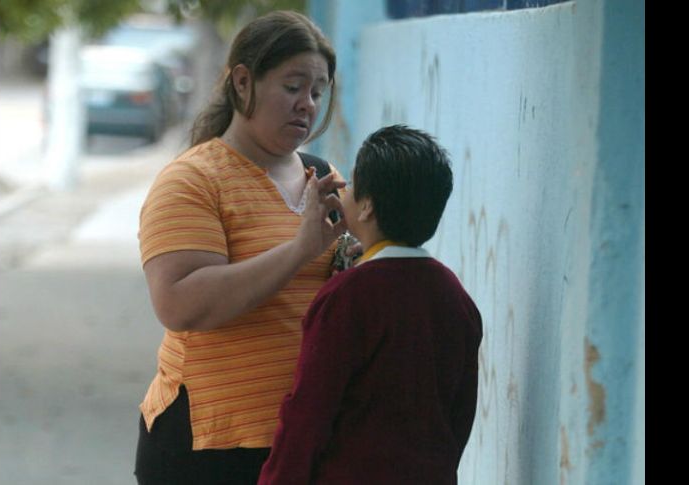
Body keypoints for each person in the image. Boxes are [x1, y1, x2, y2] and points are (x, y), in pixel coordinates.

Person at [133, 10, 348, 484]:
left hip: (304, 440)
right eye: (292, 87)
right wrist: (298, 251)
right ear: (244, 81)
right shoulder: (192, 180)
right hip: (210, 446)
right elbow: (178, 302)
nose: (307, 104)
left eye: (317, 91)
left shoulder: (322, 176)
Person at [258, 125, 484, 485]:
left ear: (367, 207)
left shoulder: (347, 296)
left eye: (353, 184)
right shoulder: (455, 296)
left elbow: (308, 412)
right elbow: (460, 413)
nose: (343, 188)